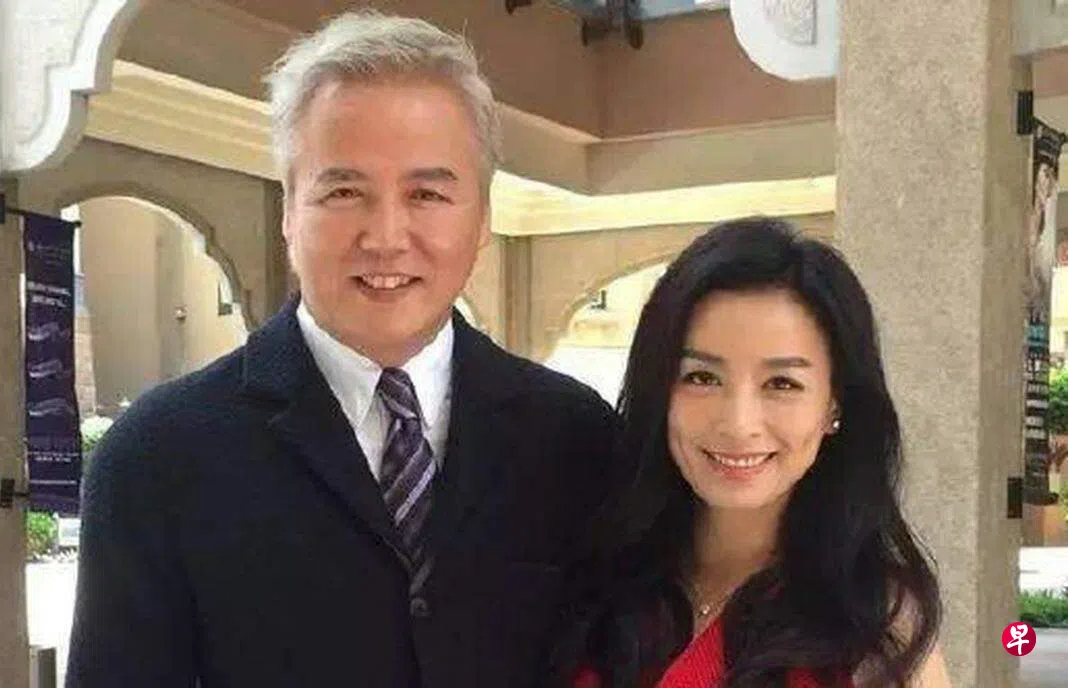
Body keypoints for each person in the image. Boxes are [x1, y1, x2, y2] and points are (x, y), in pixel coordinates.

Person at [66, 11, 614, 688]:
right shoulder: (157, 458)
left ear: (482, 218)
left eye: (427, 193)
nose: (385, 237)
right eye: (345, 191)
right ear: (290, 211)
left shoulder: (575, 438)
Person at [550, 217, 950, 687]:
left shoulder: (877, 627)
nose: (738, 424)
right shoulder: (598, 577)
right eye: (702, 377)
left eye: (782, 383)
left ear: (835, 404)